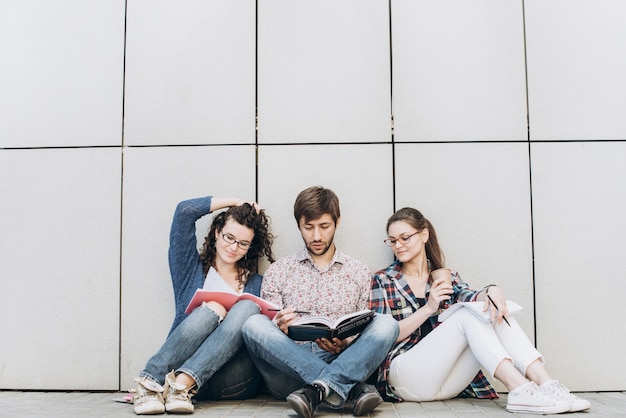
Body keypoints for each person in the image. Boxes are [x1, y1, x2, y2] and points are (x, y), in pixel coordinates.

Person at [370, 207, 591, 415]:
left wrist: (492, 291)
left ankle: (547, 384)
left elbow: (472, 297)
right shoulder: (383, 280)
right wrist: (429, 308)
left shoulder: (446, 277)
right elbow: (383, 338)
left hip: (444, 382)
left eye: (405, 238)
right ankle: (520, 388)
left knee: (487, 310)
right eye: (392, 241)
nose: (398, 245)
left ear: (424, 235)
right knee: (467, 316)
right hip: (404, 377)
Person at [241, 186, 399, 418]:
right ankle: (351, 390)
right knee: (253, 324)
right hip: (288, 372)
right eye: (308, 227)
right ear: (298, 225)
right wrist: (279, 325)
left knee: (387, 324)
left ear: (337, 222)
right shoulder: (279, 270)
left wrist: (347, 341)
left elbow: (365, 326)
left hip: (342, 358)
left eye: (324, 227)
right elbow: (268, 334)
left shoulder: (359, 271)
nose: (316, 236)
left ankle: (317, 391)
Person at [132, 195, 275, 415]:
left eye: (243, 243)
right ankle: (152, 382)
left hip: (232, 380)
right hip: (178, 371)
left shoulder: (257, 283)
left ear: (250, 247)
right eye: (229, 237)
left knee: (247, 307)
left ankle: (181, 384)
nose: (233, 247)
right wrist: (235, 203)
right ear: (217, 232)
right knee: (214, 308)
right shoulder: (191, 270)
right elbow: (184, 211)